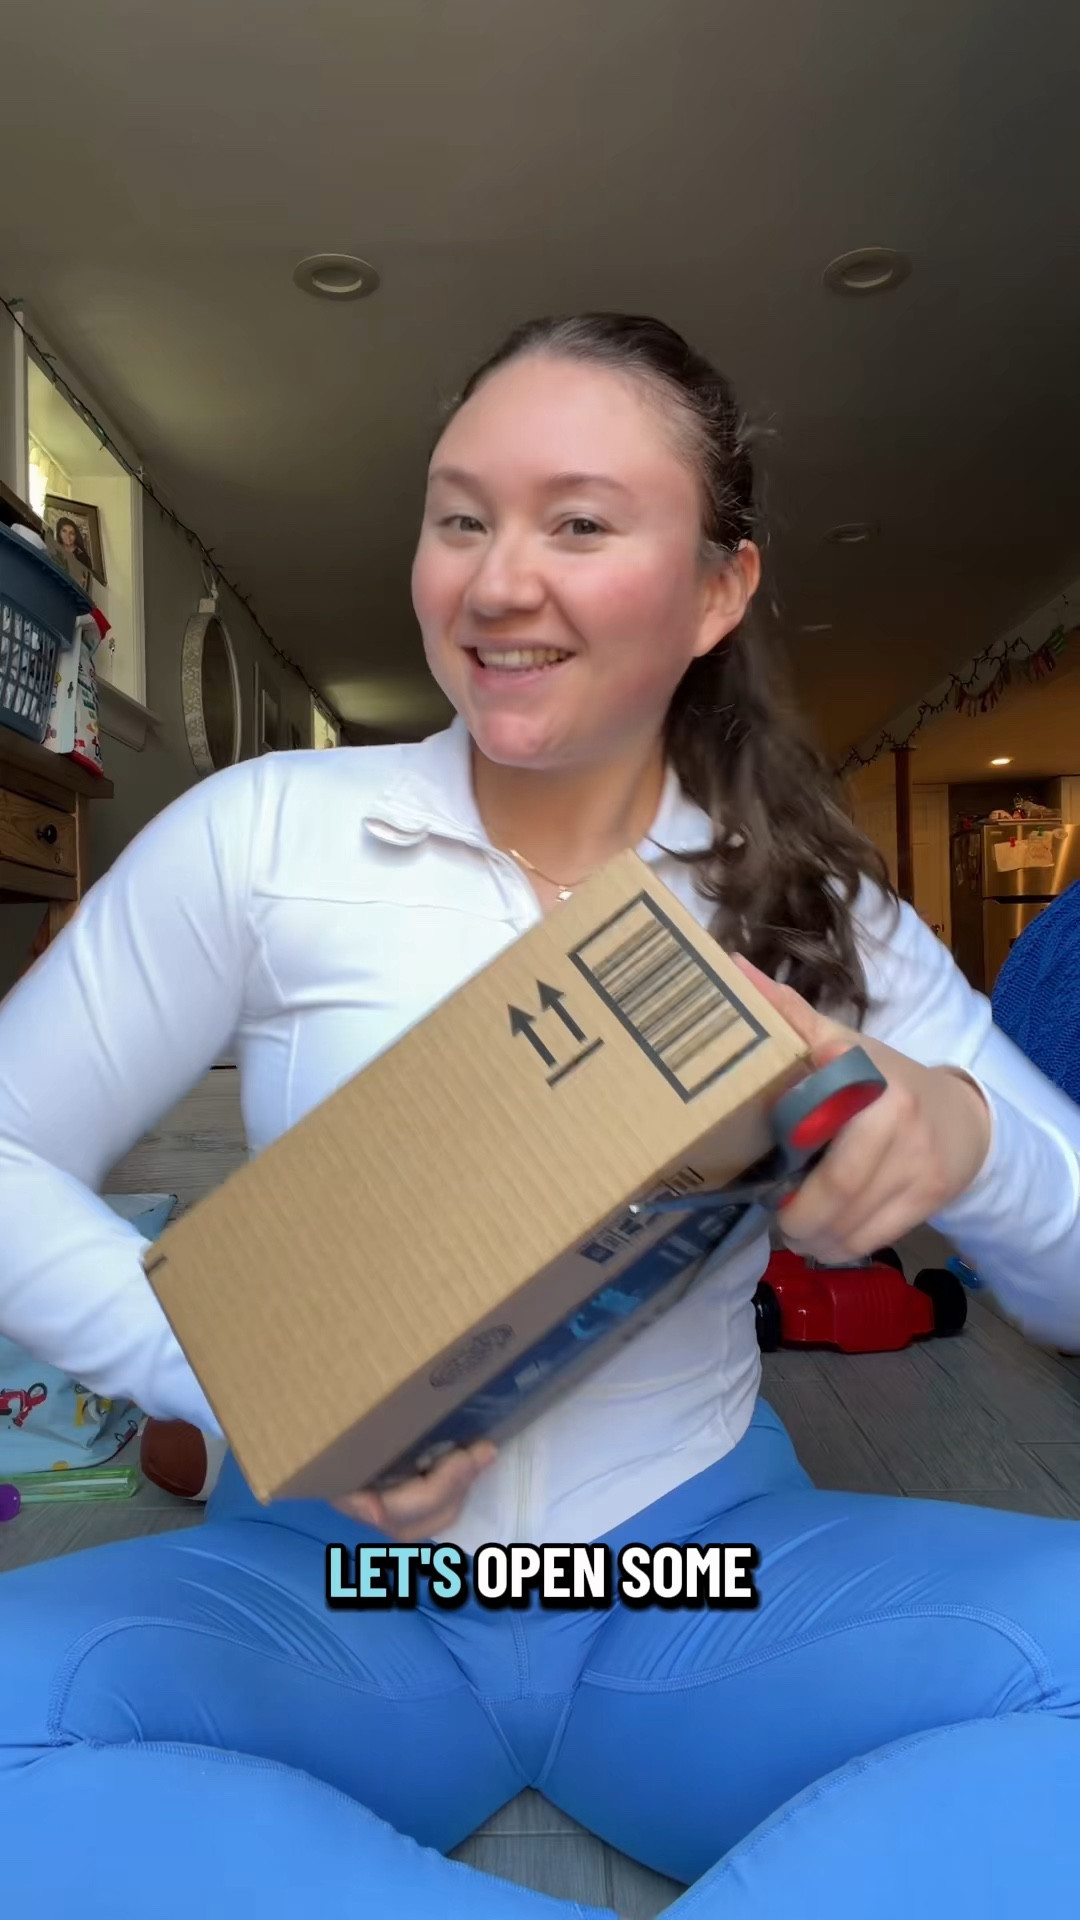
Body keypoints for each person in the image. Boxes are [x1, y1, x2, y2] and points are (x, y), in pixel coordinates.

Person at [2, 313, 1080, 1916]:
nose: (499, 580)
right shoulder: (268, 838)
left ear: (717, 589)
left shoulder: (813, 906)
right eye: (461, 517)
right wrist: (233, 1372)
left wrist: (968, 1139)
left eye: (578, 522)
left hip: (692, 1579)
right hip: (329, 1585)